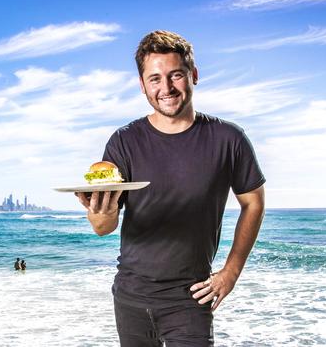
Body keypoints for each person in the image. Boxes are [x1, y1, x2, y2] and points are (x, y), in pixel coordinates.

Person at [76, 30, 265, 346]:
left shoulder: (228, 139)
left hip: (190, 298)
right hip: (131, 297)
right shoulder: (124, 142)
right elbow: (103, 228)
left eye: (175, 75)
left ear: (193, 75)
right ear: (142, 85)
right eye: (154, 79)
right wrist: (101, 212)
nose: (166, 88)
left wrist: (231, 272)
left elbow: (254, 202)